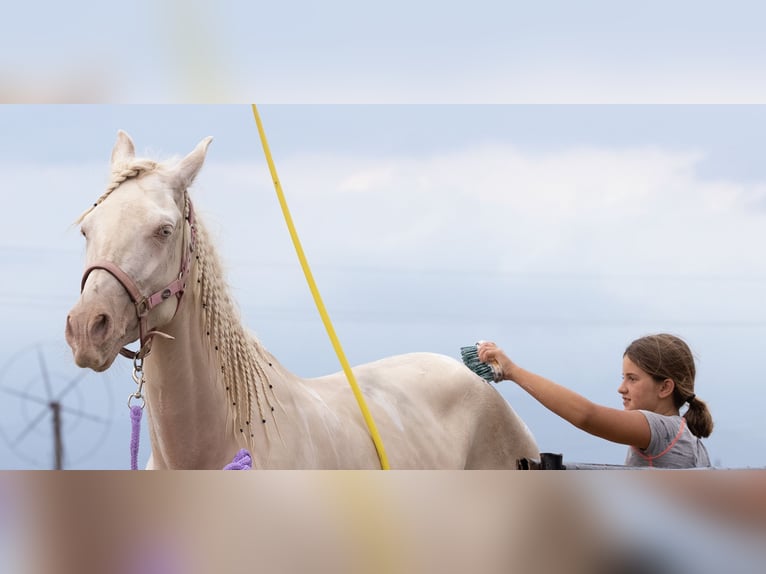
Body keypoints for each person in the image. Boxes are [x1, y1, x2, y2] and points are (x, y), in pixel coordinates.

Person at [477, 334, 713, 468]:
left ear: (665, 387)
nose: (622, 388)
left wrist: (512, 371)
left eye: (632, 379)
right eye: (623, 378)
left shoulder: (663, 430)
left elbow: (587, 416)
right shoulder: (688, 439)